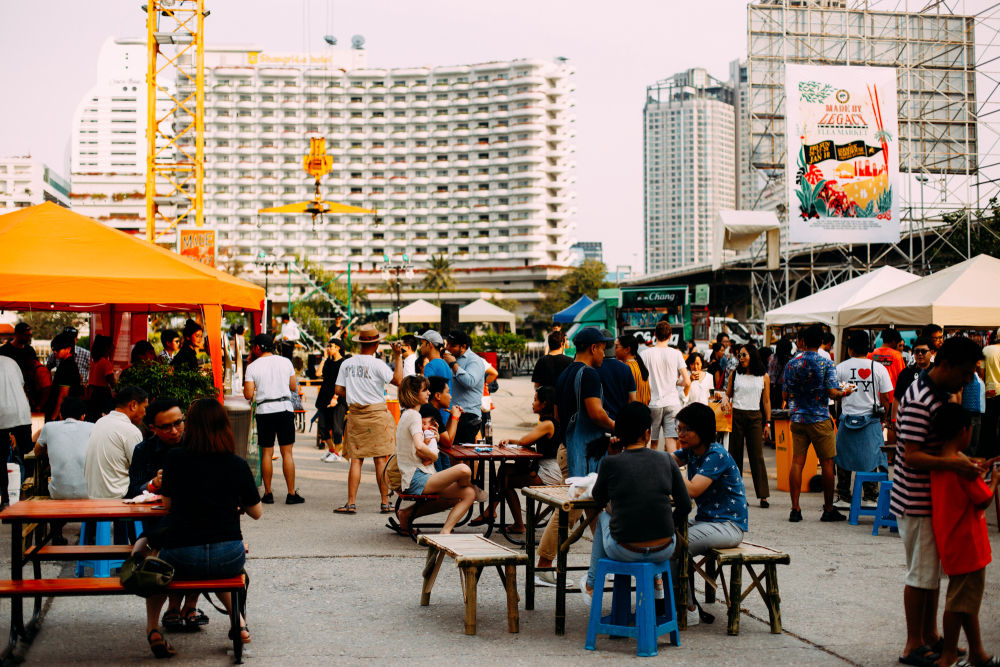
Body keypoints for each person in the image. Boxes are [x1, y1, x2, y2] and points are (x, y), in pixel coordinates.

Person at [141, 398, 261, 658]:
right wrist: (234, 501)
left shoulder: (175, 459)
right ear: (224, 426)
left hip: (181, 555)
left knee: (156, 565)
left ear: (191, 426)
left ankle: (152, 628)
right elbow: (257, 512)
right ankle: (238, 622)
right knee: (218, 568)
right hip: (228, 554)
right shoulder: (236, 464)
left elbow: (168, 504)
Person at [892, 336, 985, 667]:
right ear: (945, 366)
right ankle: (912, 643)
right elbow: (912, 455)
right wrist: (955, 464)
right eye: (964, 372)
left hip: (928, 499)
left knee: (929, 575)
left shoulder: (937, 393)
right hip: (915, 500)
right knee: (920, 575)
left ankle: (929, 635)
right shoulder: (920, 400)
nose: (968, 380)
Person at [581, 402, 691, 610]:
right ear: (648, 433)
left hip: (624, 549)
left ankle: (592, 584)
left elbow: (599, 500)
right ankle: (656, 578)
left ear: (619, 434)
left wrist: (613, 456)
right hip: (665, 548)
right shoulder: (667, 460)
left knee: (604, 516)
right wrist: (669, 526)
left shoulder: (611, 463)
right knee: (650, 520)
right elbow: (685, 505)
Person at [125, 396, 210, 633]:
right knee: (167, 549)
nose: (175, 431)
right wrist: (153, 484)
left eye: (179, 423)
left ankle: (189, 605)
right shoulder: (144, 450)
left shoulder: (196, 444)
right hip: (158, 524)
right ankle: (174, 606)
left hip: (193, 522)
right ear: (152, 428)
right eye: (166, 426)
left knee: (199, 543)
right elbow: (132, 490)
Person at [928, 403, 1000, 667]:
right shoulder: (963, 468)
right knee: (958, 604)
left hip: (951, 541)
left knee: (966, 602)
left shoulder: (940, 462)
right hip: (970, 545)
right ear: (963, 432)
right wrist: (993, 482)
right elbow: (982, 501)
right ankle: (948, 654)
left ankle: (978, 652)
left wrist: (981, 465)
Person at [672, 401, 748, 625]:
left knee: (675, 545)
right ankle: (671, 602)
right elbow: (666, 460)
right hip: (706, 522)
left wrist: (670, 473)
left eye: (687, 429)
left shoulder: (717, 454)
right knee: (662, 539)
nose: (682, 434)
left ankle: (688, 607)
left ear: (703, 431)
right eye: (680, 428)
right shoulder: (691, 452)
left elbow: (693, 489)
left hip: (728, 526)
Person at [782, 324, 854, 523]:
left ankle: (795, 508)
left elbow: (785, 394)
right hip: (820, 418)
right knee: (828, 463)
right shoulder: (826, 363)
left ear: (803, 341)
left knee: (797, 462)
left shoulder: (791, 364)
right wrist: (846, 392)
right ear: (821, 341)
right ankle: (828, 509)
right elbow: (833, 392)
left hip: (797, 418)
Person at [392, 375, 479, 535]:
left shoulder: (408, 414)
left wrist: (434, 439)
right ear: (413, 393)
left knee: (468, 493)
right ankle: (468, 485)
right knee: (464, 470)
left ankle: (444, 531)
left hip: (417, 475)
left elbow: (417, 445)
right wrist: (434, 456)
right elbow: (419, 446)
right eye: (425, 390)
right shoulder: (414, 415)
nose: (428, 393)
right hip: (416, 477)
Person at [334, 323, 403, 515]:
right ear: (377, 343)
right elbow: (398, 381)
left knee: (356, 460)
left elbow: (338, 390)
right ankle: (385, 503)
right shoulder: (378, 364)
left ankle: (351, 503)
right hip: (377, 416)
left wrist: (355, 393)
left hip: (356, 415)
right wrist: (398, 356)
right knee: (381, 460)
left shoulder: (347, 364)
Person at [471, 386, 561, 533]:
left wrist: (512, 441)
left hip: (550, 473)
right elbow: (525, 441)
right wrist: (510, 440)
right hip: (547, 469)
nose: (532, 403)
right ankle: (492, 511)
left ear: (544, 404)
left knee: (505, 481)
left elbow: (524, 441)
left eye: (535, 400)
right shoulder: (549, 423)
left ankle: (513, 522)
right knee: (505, 469)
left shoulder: (547, 424)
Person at [243, 333, 303, 505]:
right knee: (287, 453)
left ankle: (268, 493)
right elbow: (293, 387)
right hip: (284, 408)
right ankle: (291, 494)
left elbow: (248, 394)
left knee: (267, 453)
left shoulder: (253, 367)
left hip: (264, 411)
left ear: (258, 348)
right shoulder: (286, 362)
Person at [834, 330, 893, 505]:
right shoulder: (878, 368)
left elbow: (835, 393)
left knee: (843, 457)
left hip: (847, 419)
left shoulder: (841, 367)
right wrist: (883, 418)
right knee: (871, 458)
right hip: (871, 420)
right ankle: (870, 496)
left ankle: (844, 496)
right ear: (868, 349)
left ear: (850, 349)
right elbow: (886, 398)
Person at [557, 327, 616, 477]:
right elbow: (596, 413)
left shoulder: (564, 373)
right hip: (585, 455)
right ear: (593, 348)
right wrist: (616, 426)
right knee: (587, 499)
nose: (604, 354)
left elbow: (557, 415)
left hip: (567, 451)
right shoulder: (589, 374)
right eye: (602, 349)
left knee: (571, 499)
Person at [726, 343, 771, 508]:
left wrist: (768, 422)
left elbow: (766, 400)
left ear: (752, 355)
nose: (741, 358)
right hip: (736, 415)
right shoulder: (735, 374)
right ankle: (737, 494)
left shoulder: (763, 376)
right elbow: (728, 394)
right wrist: (724, 400)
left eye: (744, 355)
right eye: (739, 355)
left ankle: (763, 495)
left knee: (757, 456)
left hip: (755, 416)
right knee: (735, 456)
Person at [83, 386, 148, 499]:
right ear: (133, 405)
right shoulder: (130, 430)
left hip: (92, 497)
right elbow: (140, 471)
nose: (145, 413)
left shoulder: (100, 422)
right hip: (118, 498)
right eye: (145, 407)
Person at [639, 320, 691, 452]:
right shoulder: (676, 354)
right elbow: (687, 381)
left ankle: (652, 469)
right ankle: (673, 469)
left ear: (655, 334)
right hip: (672, 402)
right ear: (670, 336)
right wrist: (675, 382)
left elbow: (641, 380)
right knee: (671, 439)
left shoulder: (645, 354)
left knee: (652, 441)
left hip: (653, 403)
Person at [35, 397, 93, 501]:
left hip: (58, 494)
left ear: (61, 415)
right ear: (83, 416)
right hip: (88, 493)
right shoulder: (92, 427)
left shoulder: (49, 427)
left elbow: (37, 452)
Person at [442, 330, 486, 445]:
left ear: (464, 347)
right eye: (448, 344)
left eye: (453, 345)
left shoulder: (474, 360)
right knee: (452, 451)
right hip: (454, 413)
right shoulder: (452, 358)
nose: (448, 348)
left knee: (465, 453)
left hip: (468, 415)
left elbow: (470, 382)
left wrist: (453, 365)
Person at [0, 355, 33, 506]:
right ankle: (25, 497)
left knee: (1, 460)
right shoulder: (11, 362)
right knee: (26, 457)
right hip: (22, 413)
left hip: (3, 414)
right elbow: (21, 388)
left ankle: (6, 500)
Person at [316, 338, 349, 463]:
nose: (328, 348)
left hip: (338, 399)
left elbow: (345, 383)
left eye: (331, 346)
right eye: (328, 345)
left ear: (338, 348)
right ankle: (332, 450)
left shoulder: (344, 363)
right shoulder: (328, 362)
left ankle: (337, 453)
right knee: (323, 427)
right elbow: (318, 373)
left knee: (337, 429)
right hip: (324, 397)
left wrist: (335, 398)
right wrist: (324, 358)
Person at [597, 329, 637, 421]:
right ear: (613, 345)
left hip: (600, 422)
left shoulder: (592, 369)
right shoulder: (625, 368)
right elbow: (633, 399)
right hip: (621, 420)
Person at [44, 332, 83, 422]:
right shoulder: (67, 363)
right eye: (53, 349)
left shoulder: (67, 366)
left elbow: (63, 394)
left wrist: (54, 417)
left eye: (58, 349)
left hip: (61, 414)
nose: (54, 351)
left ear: (68, 349)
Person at [0, 322, 40, 406]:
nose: (28, 337)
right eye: (26, 335)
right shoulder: (4, 350)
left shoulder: (30, 350)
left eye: (30, 335)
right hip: (9, 391)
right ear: (17, 334)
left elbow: (36, 369)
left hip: (28, 391)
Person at [85, 334, 115, 422]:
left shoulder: (94, 362)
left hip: (93, 394)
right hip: (103, 395)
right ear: (106, 348)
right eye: (111, 346)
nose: (114, 348)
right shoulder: (106, 363)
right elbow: (112, 382)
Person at [614, 333, 650, 405]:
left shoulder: (626, 368)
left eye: (616, 347)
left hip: (633, 413)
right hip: (642, 411)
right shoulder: (638, 365)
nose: (614, 350)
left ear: (627, 349)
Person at [983, 330, 1000, 460]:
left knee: (989, 426)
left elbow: (980, 373)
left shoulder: (987, 350)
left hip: (990, 393)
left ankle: (990, 454)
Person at [767, 337, 793, 409]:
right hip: (784, 389)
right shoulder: (791, 360)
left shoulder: (772, 358)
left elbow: (769, 373)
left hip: (772, 387)